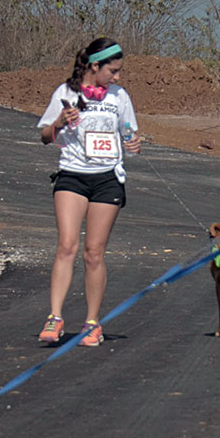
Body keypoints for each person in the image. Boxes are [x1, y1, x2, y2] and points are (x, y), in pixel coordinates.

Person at [35, 37, 142, 346]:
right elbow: (44, 135)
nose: (117, 77)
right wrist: (58, 122)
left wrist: (134, 144)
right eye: (113, 70)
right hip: (72, 176)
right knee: (66, 245)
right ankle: (55, 317)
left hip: (107, 179)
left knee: (94, 253)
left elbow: (130, 135)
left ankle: (92, 322)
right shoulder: (66, 92)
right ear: (95, 66)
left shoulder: (120, 97)